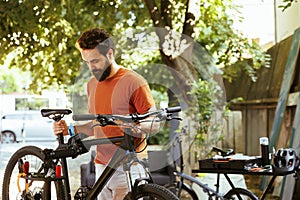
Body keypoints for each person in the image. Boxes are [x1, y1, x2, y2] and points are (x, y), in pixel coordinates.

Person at [52, 28, 157, 200]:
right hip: (101, 166)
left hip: (128, 167)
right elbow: (96, 126)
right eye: (86, 62)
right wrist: (68, 130)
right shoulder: (92, 84)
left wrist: (139, 127)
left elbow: (154, 121)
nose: (91, 67)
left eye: (95, 61)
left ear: (110, 54)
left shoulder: (133, 82)